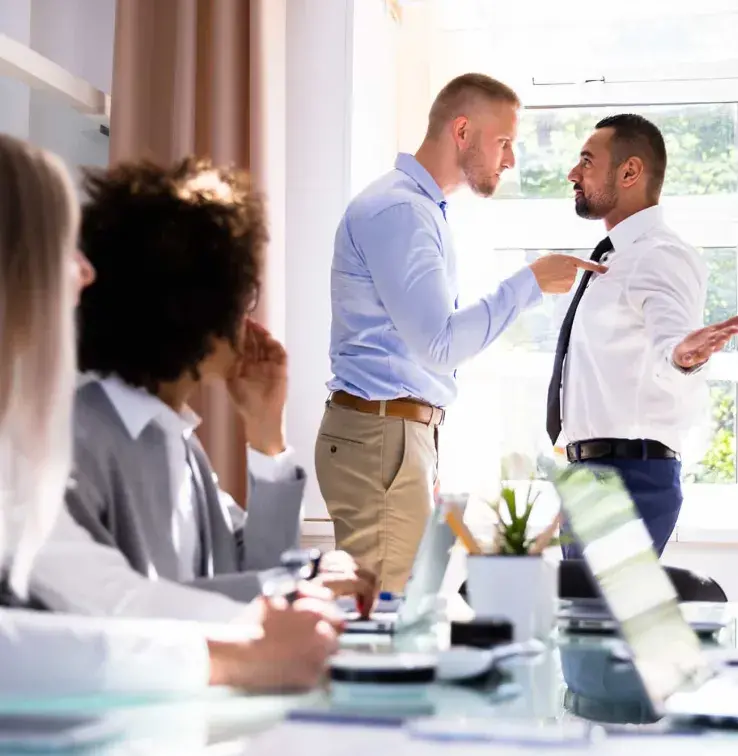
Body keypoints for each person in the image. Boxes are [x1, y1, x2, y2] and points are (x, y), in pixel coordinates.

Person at [0, 133, 340, 696]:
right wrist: (248, 642)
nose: (85, 275)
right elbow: (103, 607)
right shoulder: (64, 437)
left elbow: (112, 594)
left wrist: (268, 437)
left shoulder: (172, 437)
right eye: (62, 248)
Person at [316, 72, 606, 592]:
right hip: (383, 436)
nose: (510, 159)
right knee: (389, 617)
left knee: (397, 607)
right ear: (463, 130)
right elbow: (439, 345)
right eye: (504, 142)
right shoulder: (402, 211)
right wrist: (530, 284)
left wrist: (419, 448)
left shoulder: (416, 208)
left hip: (393, 436)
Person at [61, 157, 375, 613]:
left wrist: (266, 435)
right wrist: (295, 583)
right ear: (196, 308)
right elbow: (126, 609)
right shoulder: (77, 441)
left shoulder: (175, 440)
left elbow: (257, 569)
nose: (249, 319)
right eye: (244, 296)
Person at [547, 114, 738, 558]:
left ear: (629, 172)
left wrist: (683, 356)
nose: (573, 174)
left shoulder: (659, 254)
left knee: (600, 621)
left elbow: (671, 337)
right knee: (593, 624)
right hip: (595, 476)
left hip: (626, 478)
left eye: (586, 162)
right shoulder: (613, 259)